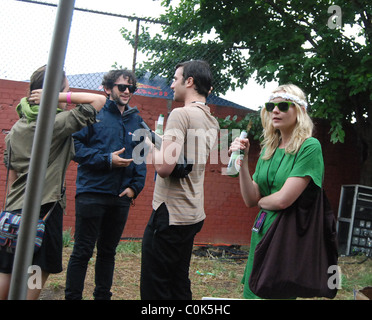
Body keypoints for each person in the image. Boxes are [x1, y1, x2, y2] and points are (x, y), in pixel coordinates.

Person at [0, 65, 106, 300]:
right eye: (66, 91)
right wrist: (57, 96)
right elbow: (98, 101)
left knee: (7, 266)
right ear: (52, 93)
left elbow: (14, 172)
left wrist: (7, 209)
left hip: (14, 209)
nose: (68, 99)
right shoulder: (56, 123)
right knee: (38, 267)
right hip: (45, 208)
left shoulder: (17, 127)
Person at [229, 84, 324, 299]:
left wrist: (262, 201)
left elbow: (283, 200)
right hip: (261, 232)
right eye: (271, 105)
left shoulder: (309, 147)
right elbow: (250, 199)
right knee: (253, 292)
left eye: (283, 105)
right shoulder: (268, 148)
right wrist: (242, 164)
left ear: (300, 111)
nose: (275, 110)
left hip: (285, 236)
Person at [140, 60, 220, 300]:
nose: (171, 84)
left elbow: (165, 167)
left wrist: (148, 145)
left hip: (169, 214)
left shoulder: (180, 114)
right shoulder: (212, 121)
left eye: (175, 78)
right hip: (192, 213)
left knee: (156, 288)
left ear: (190, 81)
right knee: (178, 282)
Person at [64, 69, 147, 300]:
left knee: (108, 253)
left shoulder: (136, 120)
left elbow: (141, 159)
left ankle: (102, 296)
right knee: (82, 252)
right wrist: (107, 159)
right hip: (92, 193)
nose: (127, 92)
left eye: (132, 88)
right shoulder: (93, 113)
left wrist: (134, 188)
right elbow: (74, 147)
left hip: (120, 197)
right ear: (107, 88)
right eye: (122, 87)